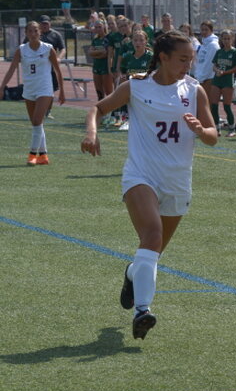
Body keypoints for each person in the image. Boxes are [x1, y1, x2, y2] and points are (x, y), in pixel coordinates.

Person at [80, 30, 218, 340]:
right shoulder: (136, 86)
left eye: (190, 60)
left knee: (153, 251)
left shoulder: (194, 90)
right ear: (163, 57)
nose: (187, 66)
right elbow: (97, 109)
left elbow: (213, 136)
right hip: (141, 176)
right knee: (152, 235)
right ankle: (142, 311)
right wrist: (92, 133)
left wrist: (200, 130)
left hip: (177, 181)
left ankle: (132, 273)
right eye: (182, 59)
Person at [1, 21, 65, 165]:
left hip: (45, 89)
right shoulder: (21, 50)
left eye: (35, 30)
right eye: (30, 31)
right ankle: (43, 155)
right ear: (26, 33)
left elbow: (57, 70)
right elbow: (11, 69)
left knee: (37, 120)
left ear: (40, 32)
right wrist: (2, 86)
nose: (33, 33)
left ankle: (32, 155)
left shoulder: (48, 48)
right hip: (29, 89)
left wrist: (62, 91)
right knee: (36, 124)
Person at [210, 29, 236, 137]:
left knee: (227, 106)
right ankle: (217, 128)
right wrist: (217, 71)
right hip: (217, 80)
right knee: (214, 105)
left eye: (228, 39)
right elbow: (214, 65)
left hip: (227, 81)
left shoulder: (235, 52)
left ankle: (232, 129)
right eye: (224, 39)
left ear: (232, 39)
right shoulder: (219, 52)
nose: (226, 41)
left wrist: (224, 72)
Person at [193, 21, 220, 133]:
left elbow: (209, 64)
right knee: (201, 104)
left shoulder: (213, 45)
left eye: (206, 30)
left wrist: (201, 77)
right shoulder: (204, 44)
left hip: (208, 78)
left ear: (211, 31)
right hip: (201, 77)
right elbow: (200, 62)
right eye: (202, 30)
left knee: (207, 104)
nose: (203, 32)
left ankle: (211, 126)